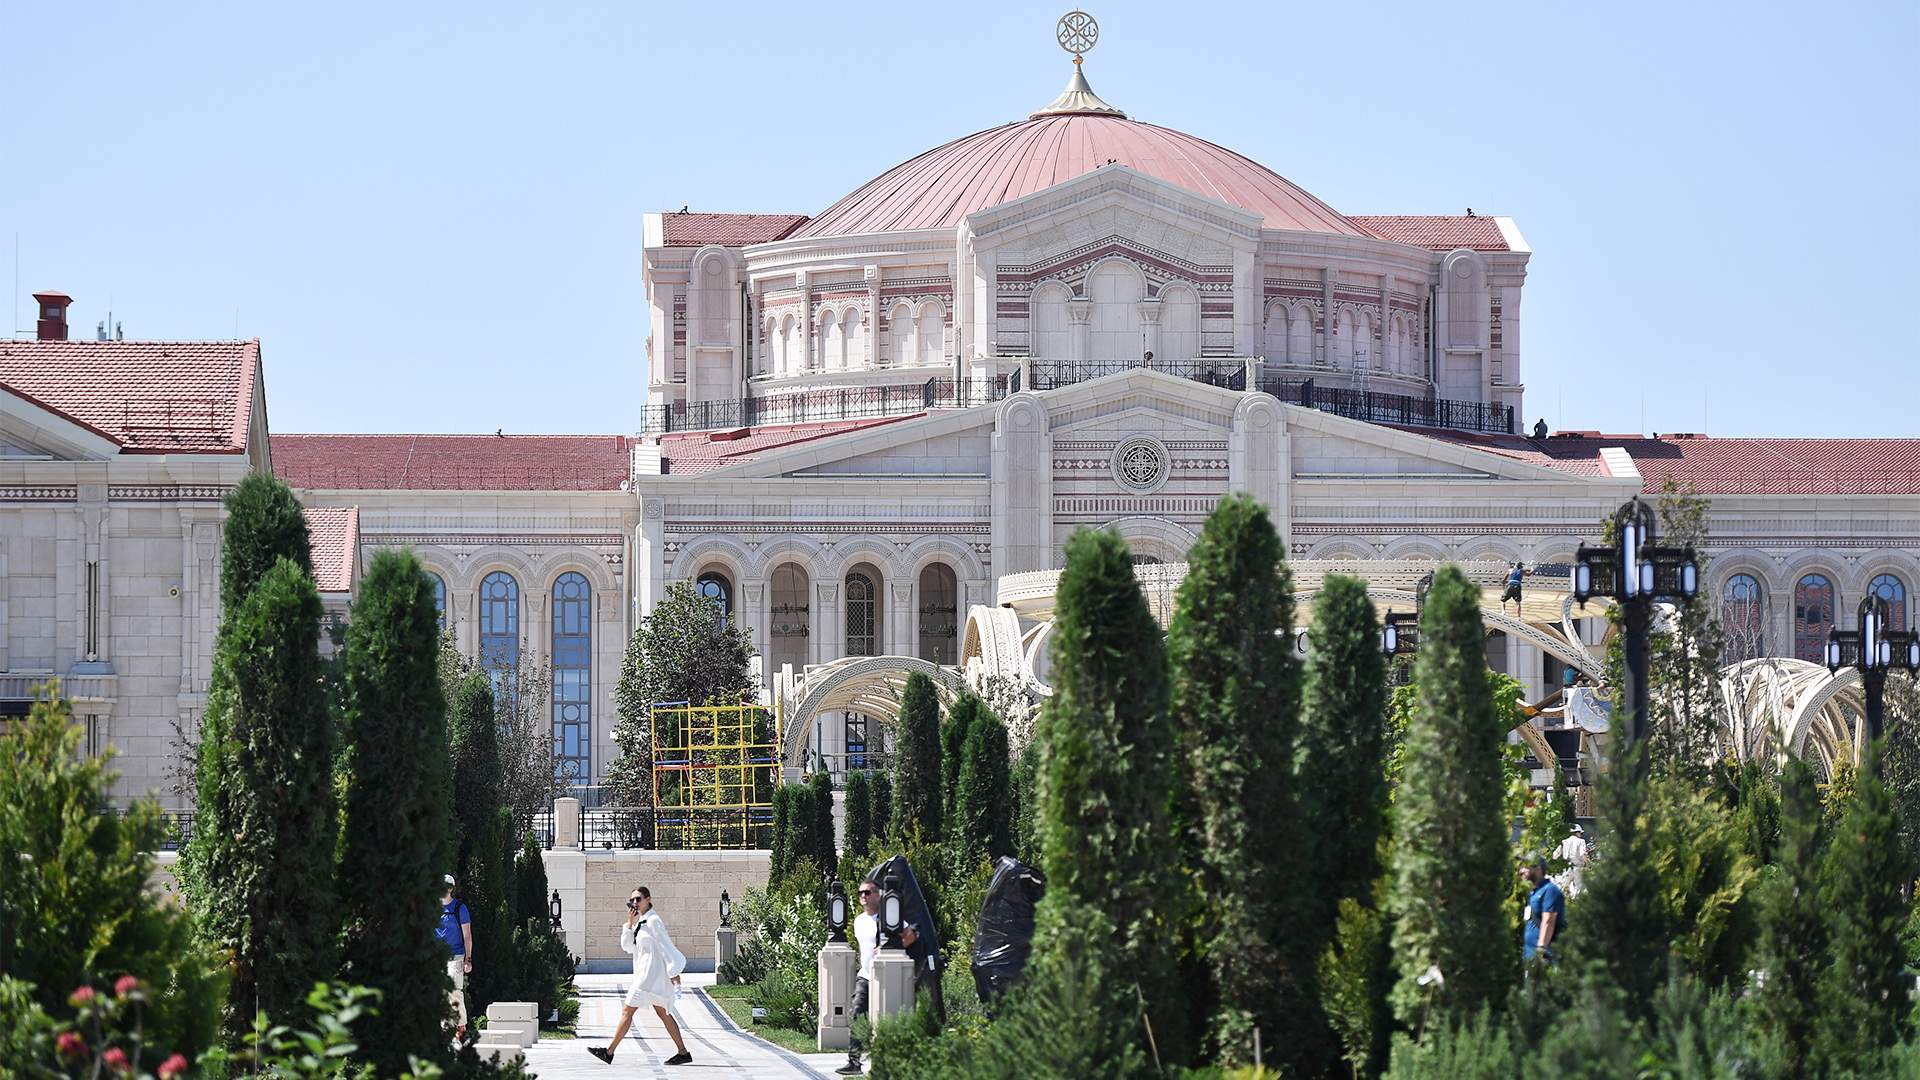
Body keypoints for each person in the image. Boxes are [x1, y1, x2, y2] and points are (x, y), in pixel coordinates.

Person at [589, 886, 691, 1067]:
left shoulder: (654, 921)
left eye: (638, 899)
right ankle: (683, 1052)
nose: (635, 903)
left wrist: (674, 972)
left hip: (649, 978)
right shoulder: (641, 922)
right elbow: (628, 947)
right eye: (632, 900)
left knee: (628, 1011)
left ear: (648, 899)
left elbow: (665, 946)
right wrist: (629, 922)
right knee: (664, 1013)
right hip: (645, 976)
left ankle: (609, 1052)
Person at [838, 878, 916, 1076]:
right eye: (860, 893)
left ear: (878, 895)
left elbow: (910, 935)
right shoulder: (859, 921)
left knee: (886, 1016)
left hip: (884, 974)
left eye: (868, 892)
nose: (863, 896)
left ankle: (890, 1057)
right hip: (865, 975)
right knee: (856, 1013)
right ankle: (854, 1061)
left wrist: (887, 948)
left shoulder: (889, 916)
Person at [436, 875, 473, 1041]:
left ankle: (460, 1024)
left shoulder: (460, 908)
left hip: (456, 956)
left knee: (453, 989)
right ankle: (445, 1027)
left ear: (451, 889)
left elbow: (467, 936)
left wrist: (468, 960)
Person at [1521, 858, 1565, 965]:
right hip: (1530, 954)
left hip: (1543, 956)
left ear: (1539, 869)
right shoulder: (1533, 892)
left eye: (1526, 867)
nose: (1522, 870)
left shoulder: (1550, 890)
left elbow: (1549, 920)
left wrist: (1541, 949)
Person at [1555, 823, 1591, 898]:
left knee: (1564, 888)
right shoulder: (1581, 841)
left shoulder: (1564, 842)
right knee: (1579, 888)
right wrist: (1588, 865)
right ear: (1577, 832)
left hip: (1567, 868)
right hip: (1578, 868)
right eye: (1580, 833)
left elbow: (1555, 856)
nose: (1581, 834)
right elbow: (1583, 854)